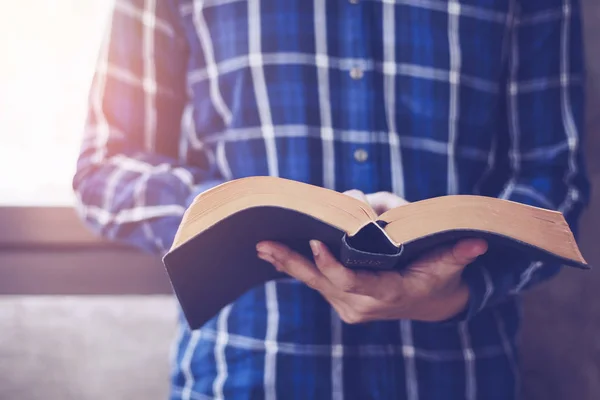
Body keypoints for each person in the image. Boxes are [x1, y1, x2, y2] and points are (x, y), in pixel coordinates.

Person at [73, 0, 590, 399]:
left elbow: (553, 176)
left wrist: (455, 290)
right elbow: (107, 166)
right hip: (247, 375)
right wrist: (240, 217)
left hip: (459, 373)